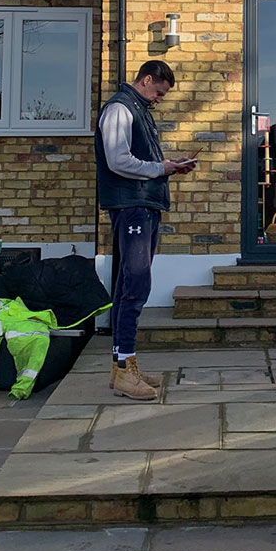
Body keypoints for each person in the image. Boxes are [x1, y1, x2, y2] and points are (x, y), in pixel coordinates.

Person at [95, 60, 194, 400]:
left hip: (142, 203)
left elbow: (138, 162)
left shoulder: (136, 109)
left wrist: (168, 168)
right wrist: (159, 167)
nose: (159, 100)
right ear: (146, 79)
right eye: (159, 92)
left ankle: (123, 365)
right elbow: (117, 159)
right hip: (132, 205)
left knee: (129, 283)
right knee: (134, 284)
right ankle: (124, 371)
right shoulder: (121, 109)